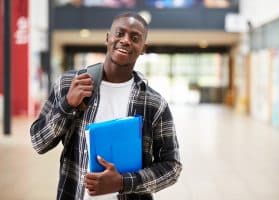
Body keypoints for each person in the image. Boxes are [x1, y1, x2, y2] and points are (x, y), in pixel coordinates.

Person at [30, 12, 182, 200]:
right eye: (120, 33)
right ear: (108, 38)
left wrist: (123, 182)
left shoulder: (154, 104)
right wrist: (67, 105)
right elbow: (38, 142)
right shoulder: (70, 84)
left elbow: (172, 167)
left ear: (143, 48)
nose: (125, 41)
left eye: (135, 38)